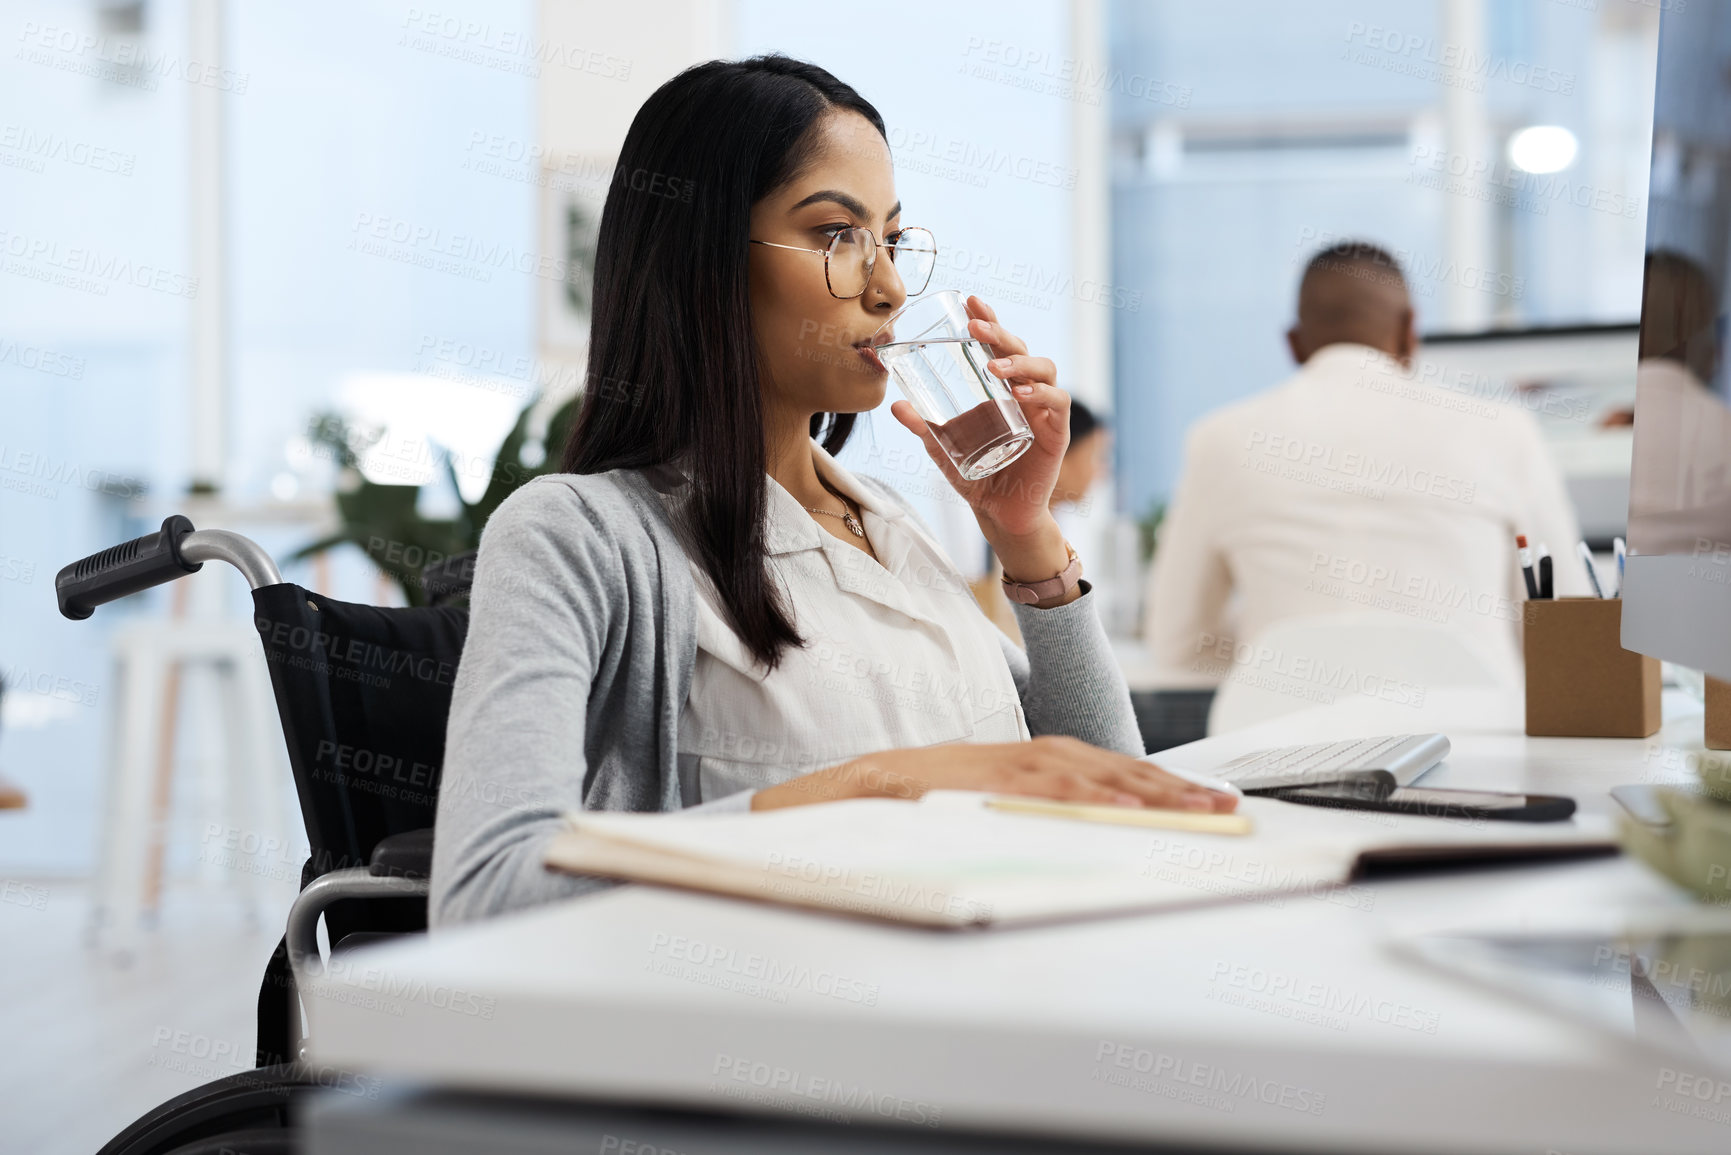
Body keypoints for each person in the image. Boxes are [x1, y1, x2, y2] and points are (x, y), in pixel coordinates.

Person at [430, 55, 1234, 927]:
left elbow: (1107, 793)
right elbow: (486, 896)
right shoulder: (579, 536)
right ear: (701, 256)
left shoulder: (889, 529)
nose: (887, 287)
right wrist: (880, 788)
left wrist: (1025, 535)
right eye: (835, 235)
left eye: (888, 239)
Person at [1141, 240, 1588, 693]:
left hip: (1275, 748)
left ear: (1294, 344)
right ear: (1410, 329)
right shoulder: (1506, 430)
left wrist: (1276, 647)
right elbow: (1564, 627)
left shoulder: (1220, 440)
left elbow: (1179, 643)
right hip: (1477, 744)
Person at [971, 399, 1112, 643]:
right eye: (1096, 456)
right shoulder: (1004, 530)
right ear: (1060, 450)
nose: (1101, 472)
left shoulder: (1061, 530)